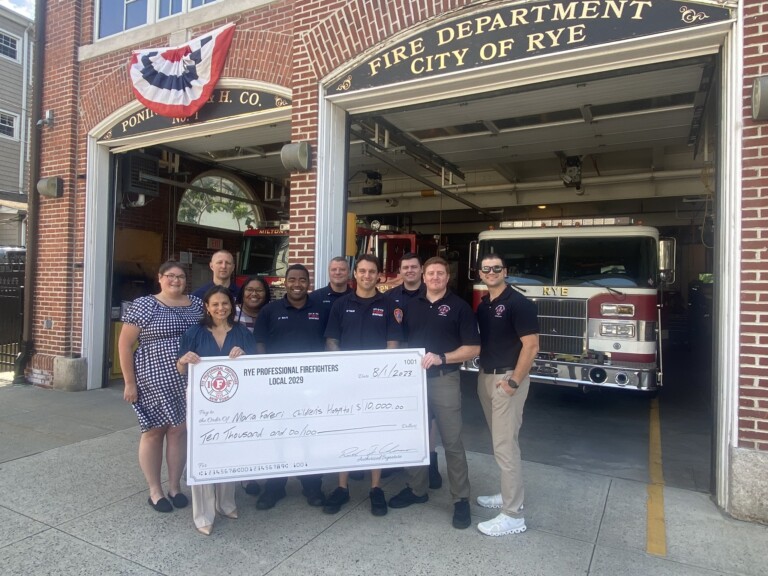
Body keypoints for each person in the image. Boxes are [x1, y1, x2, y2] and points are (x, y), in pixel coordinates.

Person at [388, 256, 480, 529]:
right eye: (431, 274)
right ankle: (417, 489)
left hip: (444, 379)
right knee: (415, 438)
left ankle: (461, 499)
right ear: (423, 277)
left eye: (441, 273)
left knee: (452, 442)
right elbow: (399, 340)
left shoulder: (459, 307)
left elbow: (473, 348)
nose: (436, 278)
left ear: (447, 277)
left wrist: (442, 357)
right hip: (413, 382)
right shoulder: (409, 305)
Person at [118, 261, 203, 514]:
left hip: (187, 377)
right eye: (170, 276)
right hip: (151, 377)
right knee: (154, 431)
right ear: (160, 278)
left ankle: (175, 487)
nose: (175, 280)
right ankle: (155, 491)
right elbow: (124, 345)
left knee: (179, 431)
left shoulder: (197, 305)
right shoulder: (144, 305)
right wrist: (129, 382)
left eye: (180, 277)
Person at [323, 254, 403, 516]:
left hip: (377, 382)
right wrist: (342, 369)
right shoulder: (341, 304)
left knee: (376, 433)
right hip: (346, 381)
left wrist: (384, 376)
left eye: (372, 272)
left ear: (378, 276)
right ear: (354, 274)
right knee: (345, 431)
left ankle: (376, 488)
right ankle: (342, 487)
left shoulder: (390, 305)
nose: (367, 276)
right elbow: (332, 341)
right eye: (362, 271)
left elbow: (393, 345)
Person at [176, 286, 257, 535]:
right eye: (215, 304)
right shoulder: (194, 332)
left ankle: (225, 503)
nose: (221, 308)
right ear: (207, 307)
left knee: (228, 453)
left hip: (234, 406)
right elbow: (180, 370)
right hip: (203, 407)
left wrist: (243, 356)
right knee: (202, 456)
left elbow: (254, 369)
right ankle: (203, 514)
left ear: (231, 306)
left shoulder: (242, 332)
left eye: (225, 304)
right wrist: (183, 360)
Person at [251, 264, 329, 510]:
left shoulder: (321, 309)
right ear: (285, 282)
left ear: (309, 283)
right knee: (278, 436)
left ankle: (312, 485)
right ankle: (274, 487)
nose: (297, 284)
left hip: (312, 386)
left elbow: (329, 343)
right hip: (278, 387)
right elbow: (260, 344)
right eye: (292, 279)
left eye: (302, 280)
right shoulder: (270, 310)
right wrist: (266, 378)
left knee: (310, 436)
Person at [474, 254, 539, 536]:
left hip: (506, 380)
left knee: (505, 446)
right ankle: (507, 493)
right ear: (480, 272)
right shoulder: (484, 305)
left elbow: (531, 346)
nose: (491, 272)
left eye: (496, 268)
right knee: (501, 442)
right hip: (487, 377)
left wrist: (513, 381)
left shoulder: (519, 304)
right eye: (486, 269)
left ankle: (513, 515)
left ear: (506, 271)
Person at [386, 252, 442, 490]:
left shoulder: (431, 293)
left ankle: (431, 463)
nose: (409, 270)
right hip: (400, 365)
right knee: (401, 414)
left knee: (429, 417)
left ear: (421, 271)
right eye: (405, 267)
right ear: (400, 271)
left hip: (427, 362)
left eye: (413, 267)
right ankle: (400, 459)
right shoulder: (389, 297)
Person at [234, 275, 271, 497]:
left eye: (259, 290)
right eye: (249, 290)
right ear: (243, 292)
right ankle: (246, 476)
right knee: (243, 428)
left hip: (264, 380)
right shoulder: (232, 313)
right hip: (239, 380)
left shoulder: (270, 313)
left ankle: (260, 472)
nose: (254, 294)